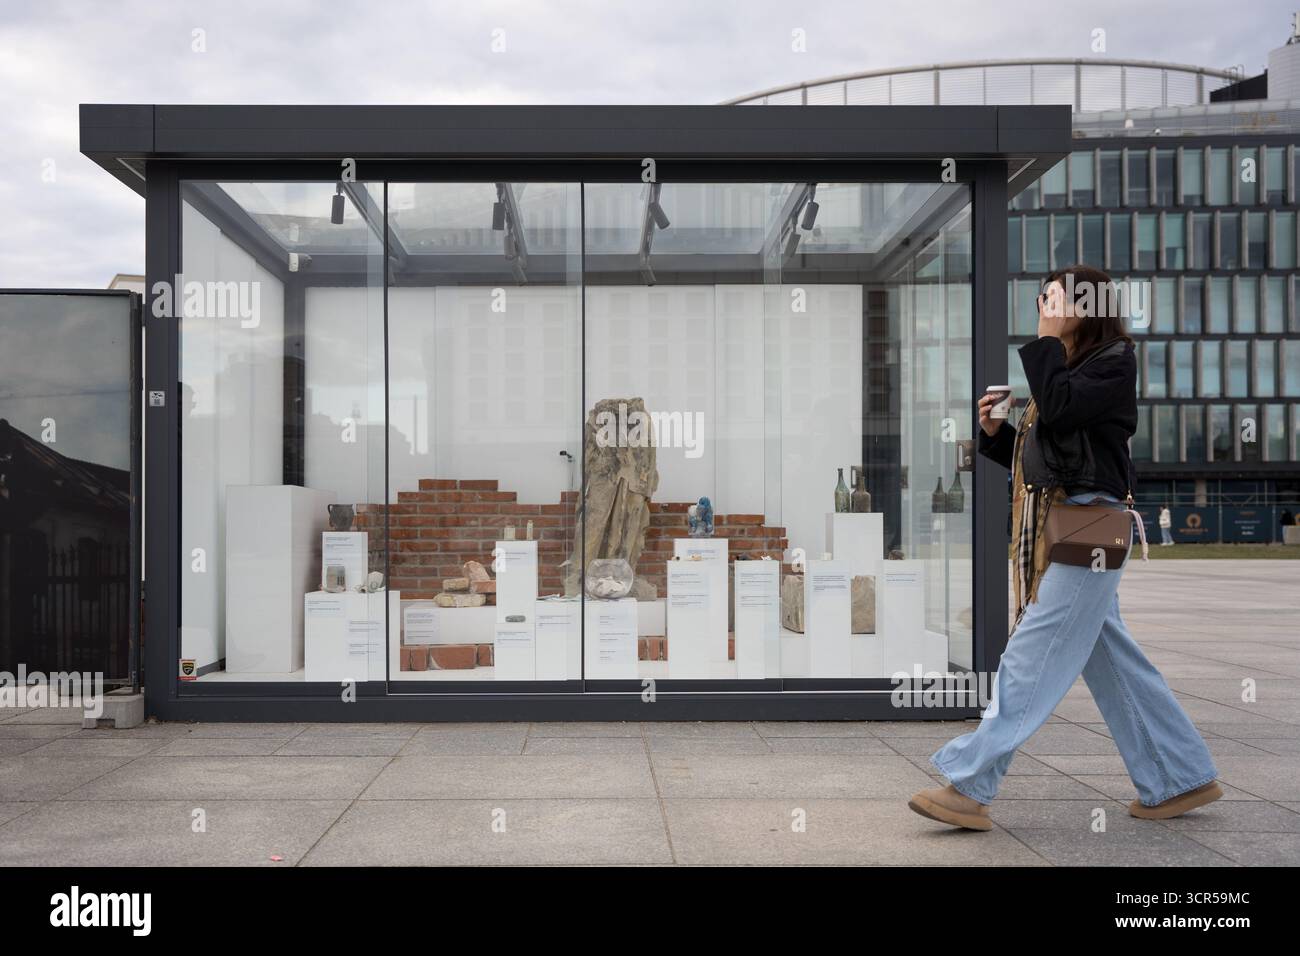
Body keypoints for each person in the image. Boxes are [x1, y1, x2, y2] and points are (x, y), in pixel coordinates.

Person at [908, 265, 1221, 831]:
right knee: (1115, 663)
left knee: (1031, 655)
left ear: (1087, 305)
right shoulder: (1071, 368)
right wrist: (999, 434)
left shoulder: (1113, 361)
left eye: (1052, 298)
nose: (1043, 306)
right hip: (1066, 523)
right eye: (1041, 298)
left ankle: (970, 785)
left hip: (1088, 529)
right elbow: (1046, 458)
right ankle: (1179, 776)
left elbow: (1062, 411)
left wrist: (1048, 342)